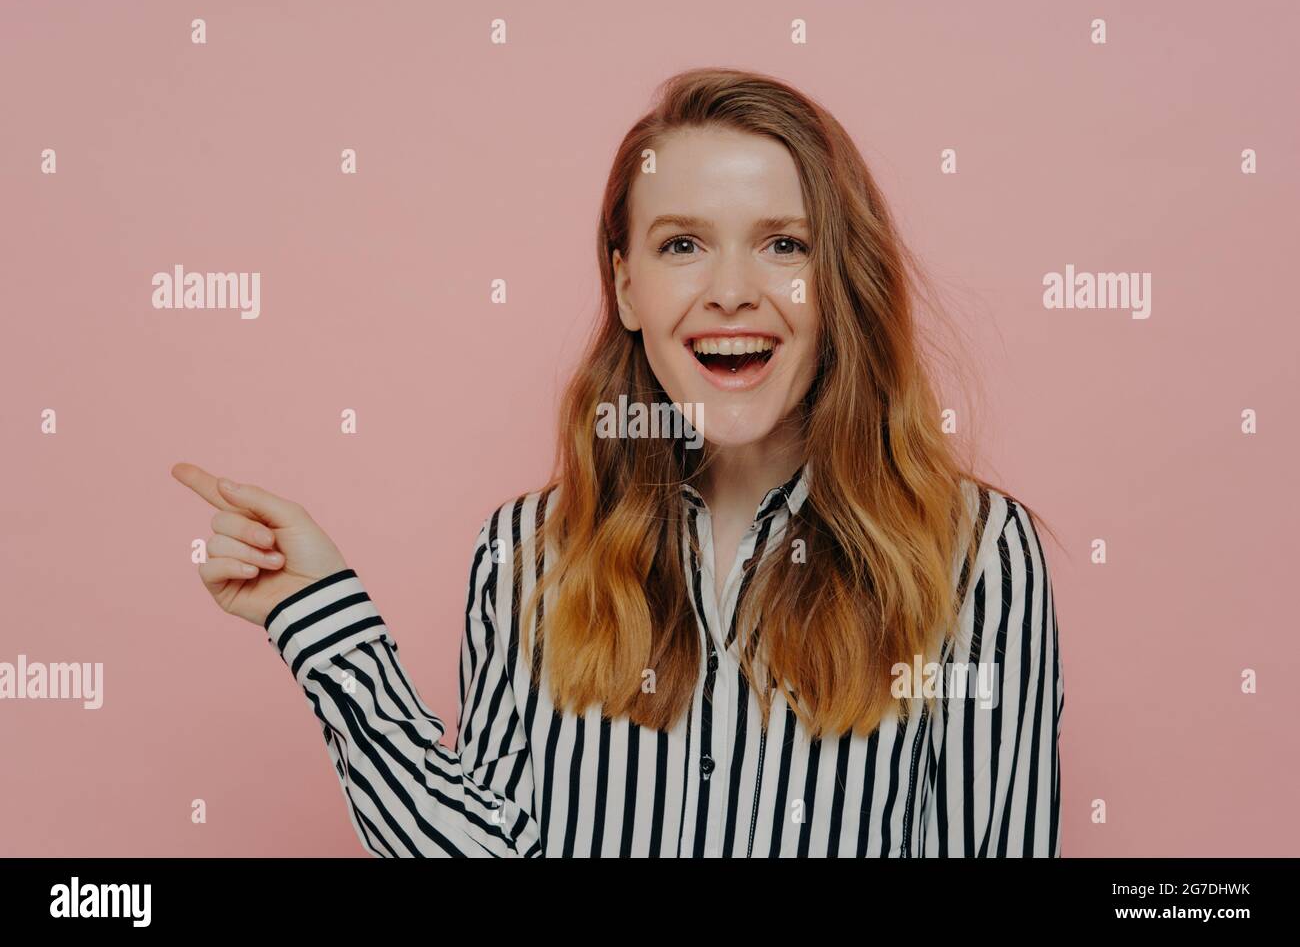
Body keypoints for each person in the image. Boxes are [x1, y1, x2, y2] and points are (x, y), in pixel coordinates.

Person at [172, 66, 1063, 857]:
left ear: (838, 279)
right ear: (627, 284)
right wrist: (321, 618)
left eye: (784, 244)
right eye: (682, 244)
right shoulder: (528, 552)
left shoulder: (973, 556)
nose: (730, 290)